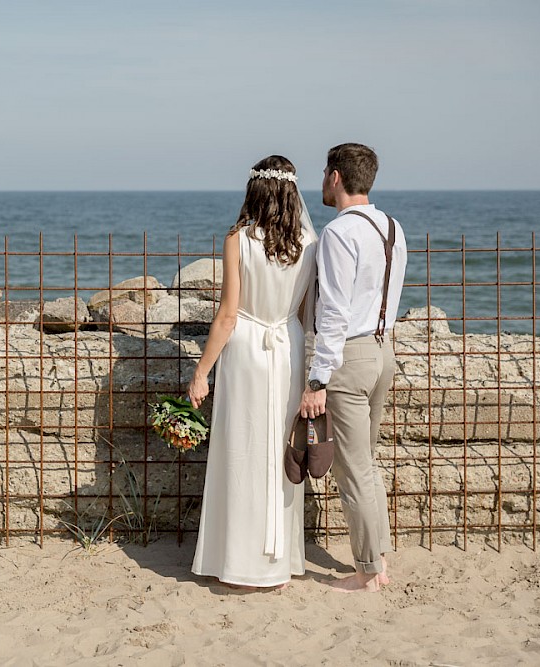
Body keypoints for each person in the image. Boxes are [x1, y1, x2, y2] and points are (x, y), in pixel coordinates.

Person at [188, 155, 318, 589]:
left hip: (246, 350)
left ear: (254, 191)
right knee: (281, 450)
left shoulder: (239, 240)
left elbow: (227, 315)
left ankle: (241, 562)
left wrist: (201, 372)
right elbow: (306, 311)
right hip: (287, 347)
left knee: (242, 450)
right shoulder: (308, 243)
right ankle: (280, 562)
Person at [299, 143, 407, 593]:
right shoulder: (393, 227)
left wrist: (318, 378)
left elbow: (335, 313)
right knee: (367, 464)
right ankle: (378, 558)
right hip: (384, 351)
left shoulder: (339, 233)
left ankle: (367, 573)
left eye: (325, 172)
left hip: (349, 356)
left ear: (337, 177)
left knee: (353, 469)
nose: (322, 180)